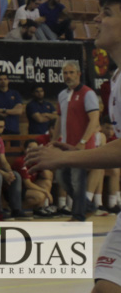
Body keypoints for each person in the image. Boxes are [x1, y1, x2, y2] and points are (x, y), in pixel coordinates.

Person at [27, 0, 121, 285]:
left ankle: (85, 208)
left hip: (81, 149)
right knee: (105, 285)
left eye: (106, 13)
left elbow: (97, 123)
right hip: (74, 147)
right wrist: (63, 148)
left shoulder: (90, 93)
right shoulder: (115, 81)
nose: (96, 19)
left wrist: (69, 155)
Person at [52, 61, 101, 222]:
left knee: (77, 180)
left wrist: (83, 141)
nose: (68, 76)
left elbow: (94, 119)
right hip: (66, 145)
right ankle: (89, 206)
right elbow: (59, 120)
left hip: (81, 147)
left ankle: (78, 215)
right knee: (62, 178)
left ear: (79, 74)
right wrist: (53, 140)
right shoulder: (62, 95)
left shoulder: (88, 93)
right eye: (65, 73)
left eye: (71, 72)